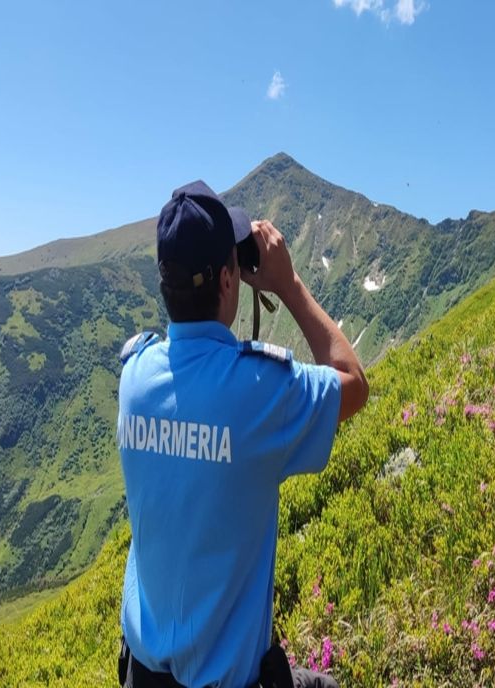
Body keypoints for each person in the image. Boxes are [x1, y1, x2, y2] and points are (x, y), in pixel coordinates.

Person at [115, 180, 369, 688]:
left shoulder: (135, 375)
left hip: (141, 675)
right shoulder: (255, 391)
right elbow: (354, 384)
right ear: (229, 281)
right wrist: (289, 284)